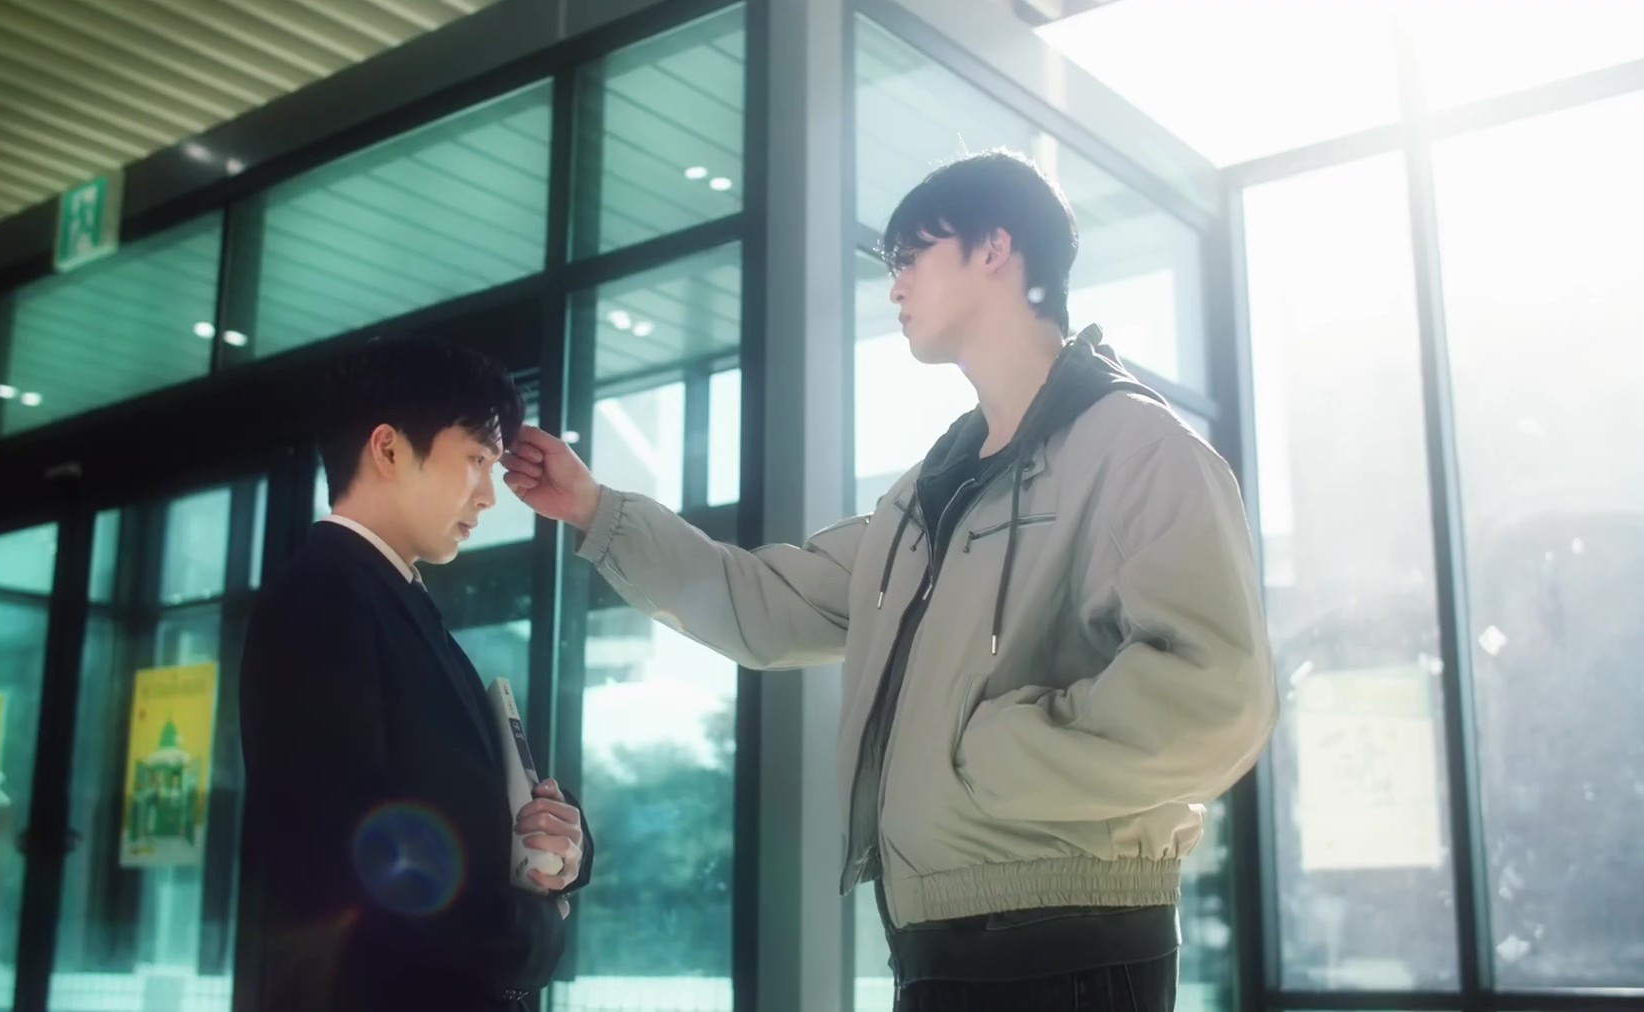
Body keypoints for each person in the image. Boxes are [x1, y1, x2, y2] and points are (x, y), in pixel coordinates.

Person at [501, 150, 1275, 1011]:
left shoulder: (1137, 448)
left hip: (1072, 949)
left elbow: (1215, 696)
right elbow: (764, 604)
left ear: (994, 249)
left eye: (910, 254)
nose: (894, 283)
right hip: (929, 947)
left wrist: (987, 758)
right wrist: (594, 509)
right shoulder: (923, 497)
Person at [237, 333, 593, 1012]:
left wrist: (558, 839)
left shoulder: (389, 598)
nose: (488, 496)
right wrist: (531, 935)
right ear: (390, 449)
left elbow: (444, 802)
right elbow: (358, 857)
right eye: (476, 460)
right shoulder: (323, 599)